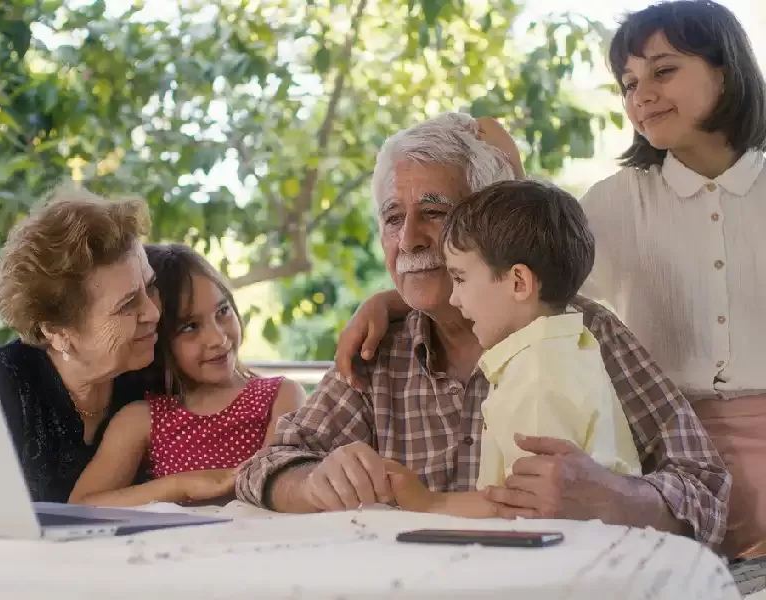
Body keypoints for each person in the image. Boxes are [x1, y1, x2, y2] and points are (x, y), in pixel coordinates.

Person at [235, 112, 730, 551]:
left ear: (487, 222)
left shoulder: (579, 333)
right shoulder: (380, 345)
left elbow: (705, 487)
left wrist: (615, 496)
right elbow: (265, 466)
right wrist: (312, 482)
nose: (408, 239)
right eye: (392, 217)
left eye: (434, 212)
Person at [578, 0, 766, 559]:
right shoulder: (614, 202)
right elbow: (525, 292)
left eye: (664, 71)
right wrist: (395, 302)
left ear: (726, 70)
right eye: (629, 83)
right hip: (661, 461)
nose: (642, 95)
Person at [384, 179, 641, 517]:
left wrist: (430, 502)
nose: (453, 297)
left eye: (460, 278)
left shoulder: (536, 377)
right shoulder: (570, 350)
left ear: (519, 283)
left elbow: (528, 508)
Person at [69, 244, 305, 506]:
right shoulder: (141, 420)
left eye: (223, 312)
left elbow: (278, 486)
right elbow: (83, 505)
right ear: (157, 339)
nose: (217, 338)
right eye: (190, 327)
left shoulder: (281, 396)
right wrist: (180, 486)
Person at [0, 186, 161, 503]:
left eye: (151, 286)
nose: (153, 312)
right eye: (127, 305)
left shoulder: (155, 370)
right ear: (58, 332)